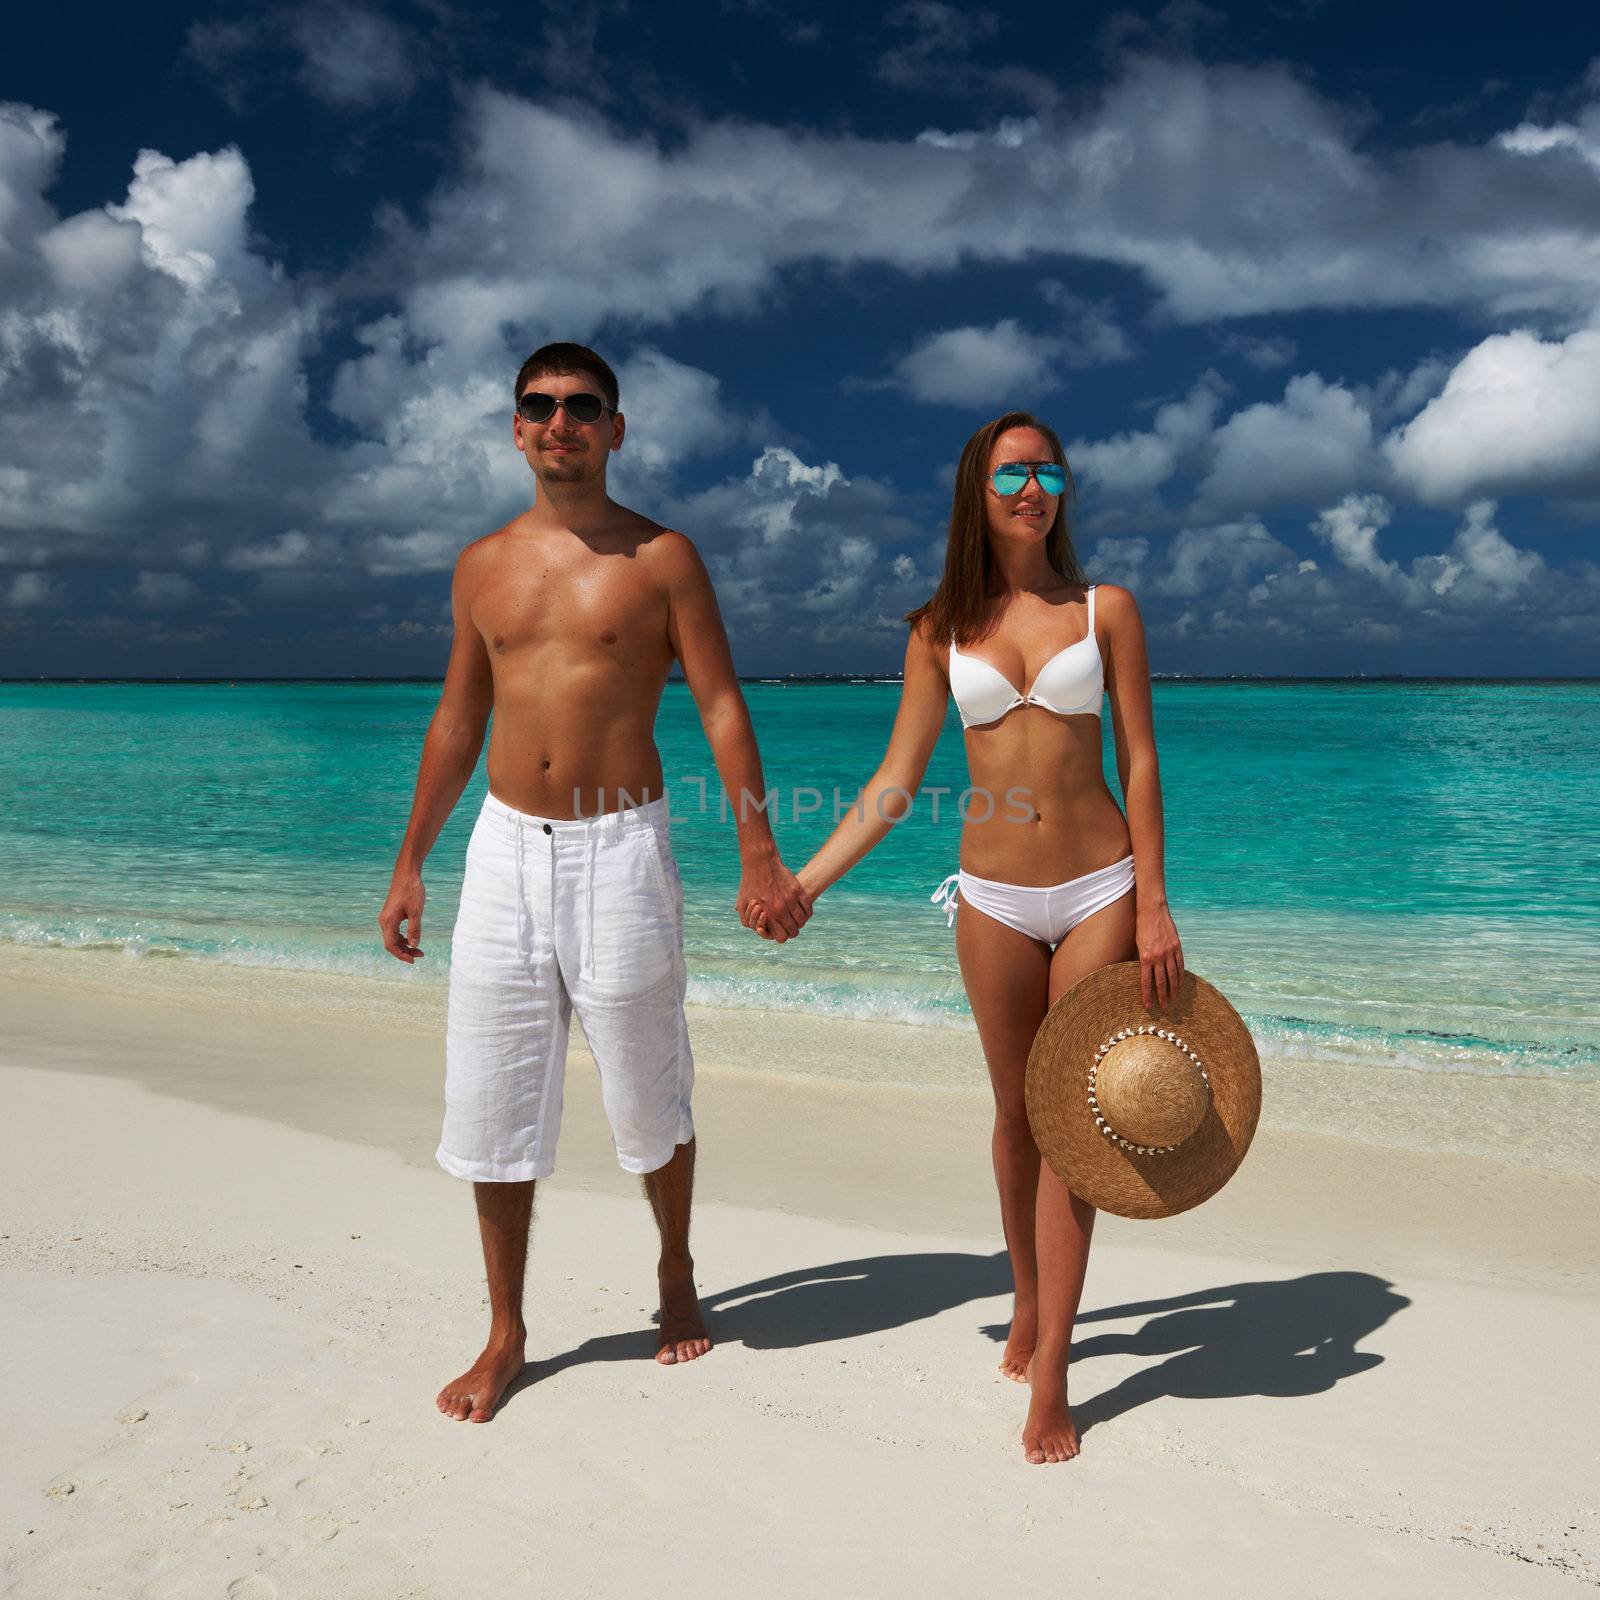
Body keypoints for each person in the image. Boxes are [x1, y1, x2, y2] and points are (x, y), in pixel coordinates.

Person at [379, 342, 811, 1423]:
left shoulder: (663, 557)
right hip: (504, 850)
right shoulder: (481, 564)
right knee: (492, 1096)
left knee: (645, 1083)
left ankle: (673, 1268)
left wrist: (760, 852)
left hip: (620, 847)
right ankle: (506, 1330)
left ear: (616, 429)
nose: (559, 421)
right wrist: (409, 862)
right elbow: (457, 717)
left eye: (581, 407)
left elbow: (718, 705)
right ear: (515, 428)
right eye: (540, 406)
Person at [749, 411, 1183, 1464]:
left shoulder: (1106, 609)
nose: (1033, 487)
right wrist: (802, 882)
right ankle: (1027, 1296)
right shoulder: (938, 628)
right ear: (975, 493)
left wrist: (1157, 901)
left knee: (1076, 1125)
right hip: (990, 896)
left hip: (1099, 889)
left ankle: (1053, 1373)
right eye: (1010, 473)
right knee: (1013, 1117)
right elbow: (896, 781)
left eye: (1047, 470)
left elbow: (1138, 758)